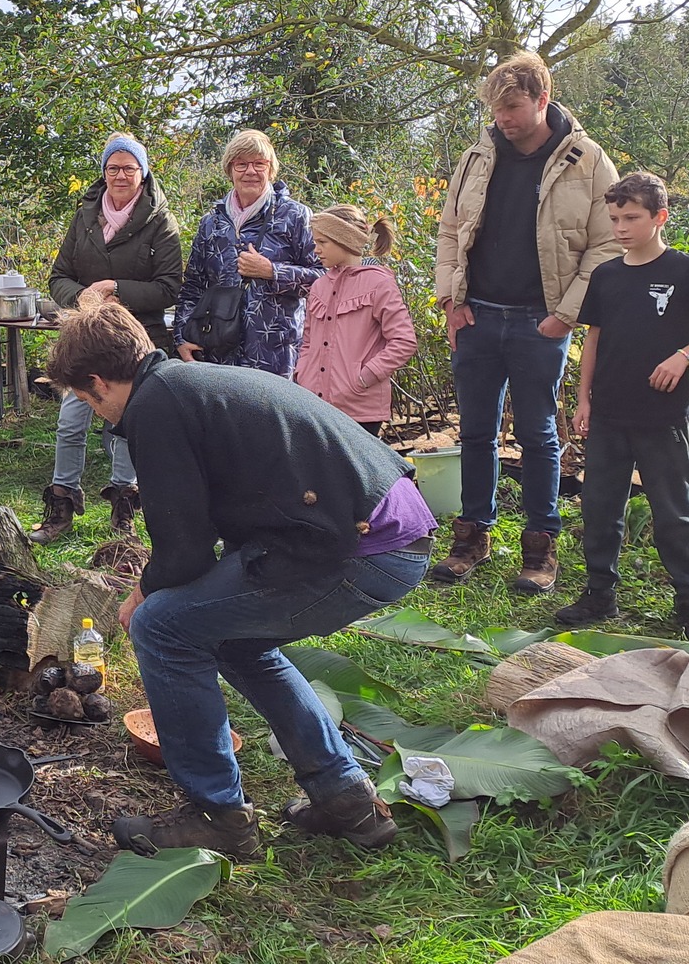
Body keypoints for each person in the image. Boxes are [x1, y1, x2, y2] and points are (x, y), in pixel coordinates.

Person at [45, 304, 435, 856]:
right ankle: (345, 797)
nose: (100, 415)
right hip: (383, 531)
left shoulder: (157, 406)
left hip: (363, 547)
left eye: (90, 401)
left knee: (161, 626)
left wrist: (139, 595)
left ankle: (217, 815)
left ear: (99, 381)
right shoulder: (183, 384)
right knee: (230, 640)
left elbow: (184, 555)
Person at [431, 52, 620, 594]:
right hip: (477, 316)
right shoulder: (476, 156)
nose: (504, 119)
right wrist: (450, 301)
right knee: (474, 432)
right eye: (496, 109)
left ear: (542, 99)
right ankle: (472, 539)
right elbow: (449, 231)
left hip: (542, 322)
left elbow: (606, 244)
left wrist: (567, 315)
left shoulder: (587, 160)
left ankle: (540, 546)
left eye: (513, 107)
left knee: (538, 435)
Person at [556, 173, 689, 641]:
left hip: (662, 415)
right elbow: (592, 336)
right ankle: (599, 592)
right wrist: (583, 398)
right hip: (609, 412)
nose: (621, 227)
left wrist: (682, 356)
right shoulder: (606, 275)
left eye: (631, 218)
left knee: (672, 510)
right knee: (599, 506)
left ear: (660, 217)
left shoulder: (684, 270)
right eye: (614, 218)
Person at [33, 132, 184, 543]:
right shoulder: (84, 216)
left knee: (125, 427)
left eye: (129, 168)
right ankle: (61, 504)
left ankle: (123, 508)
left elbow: (170, 287)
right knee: (70, 421)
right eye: (113, 168)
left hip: (135, 339)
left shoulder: (160, 221)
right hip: (85, 335)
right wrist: (79, 295)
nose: (120, 176)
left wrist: (116, 288)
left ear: (144, 172)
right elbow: (57, 276)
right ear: (103, 172)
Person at [173, 130, 322, 376]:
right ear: (230, 170)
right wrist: (182, 336)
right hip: (217, 356)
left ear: (271, 169)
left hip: (276, 358)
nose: (250, 171)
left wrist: (272, 272)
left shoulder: (295, 216)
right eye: (241, 164)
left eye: (259, 164)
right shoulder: (211, 222)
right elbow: (192, 287)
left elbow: (324, 281)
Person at [295, 206, 416, 435]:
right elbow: (308, 342)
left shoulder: (379, 283)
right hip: (316, 405)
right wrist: (303, 375)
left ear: (345, 239)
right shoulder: (319, 286)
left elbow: (404, 341)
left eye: (323, 242)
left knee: (359, 471)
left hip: (360, 408)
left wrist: (363, 377)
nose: (316, 249)